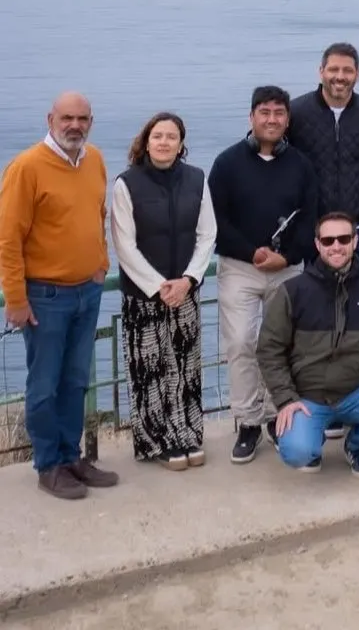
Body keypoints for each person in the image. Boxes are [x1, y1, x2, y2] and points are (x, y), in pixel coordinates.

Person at [0, 92, 119, 500]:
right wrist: (15, 299)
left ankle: (71, 457)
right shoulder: (27, 167)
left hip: (88, 290)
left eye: (82, 118)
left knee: (75, 381)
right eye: (67, 118)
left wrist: (101, 263)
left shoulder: (95, 160)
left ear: (91, 121)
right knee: (45, 385)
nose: (75, 125)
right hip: (45, 296)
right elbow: (8, 239)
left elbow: (98, 215)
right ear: (50, 118)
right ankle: (48, 465)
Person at [255, 212, 359, 474]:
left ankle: (357, 445)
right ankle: (310, 438)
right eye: (328, 241)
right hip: (307, 397)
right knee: (298, 453)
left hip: (356, 391)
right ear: (317, 244)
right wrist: (285, 399)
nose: (336, 246)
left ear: (355, 241)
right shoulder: (292, 291)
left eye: (343, 239)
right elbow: (269, 350)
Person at [207, 85, 319, 464]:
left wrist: (286, 255)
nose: (272, 119)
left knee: (282, 344)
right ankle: (248, 421)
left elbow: (310, 218)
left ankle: (276, 414)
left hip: (287, 270)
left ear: (288, 120)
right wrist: (252, 252)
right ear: (251, 117)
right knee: (240, 342)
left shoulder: (302, 165)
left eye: (279, 113)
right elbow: (215, 221)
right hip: (240, 268)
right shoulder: (226, 163)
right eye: (264, 112)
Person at [111, 112, 217, 470]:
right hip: (143, 296)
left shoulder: (197, 179)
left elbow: (207, 235)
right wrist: (159, 288)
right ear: (146, 140)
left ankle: (188, 434)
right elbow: (123, 245)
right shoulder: (126, 184)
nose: (164, 142)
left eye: (172, 136)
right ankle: (156, 442)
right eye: (158, 136)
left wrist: (188, 279)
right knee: (151, 371)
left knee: (186, 367)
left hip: (186, 289)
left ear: (181, 143)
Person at [288, 43, 359, 274]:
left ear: (357, 74)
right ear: (321, 71)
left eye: (347, 70)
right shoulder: (297, 112)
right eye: (333, 69)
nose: (340, 77)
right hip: (313, 231)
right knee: (314, 305)